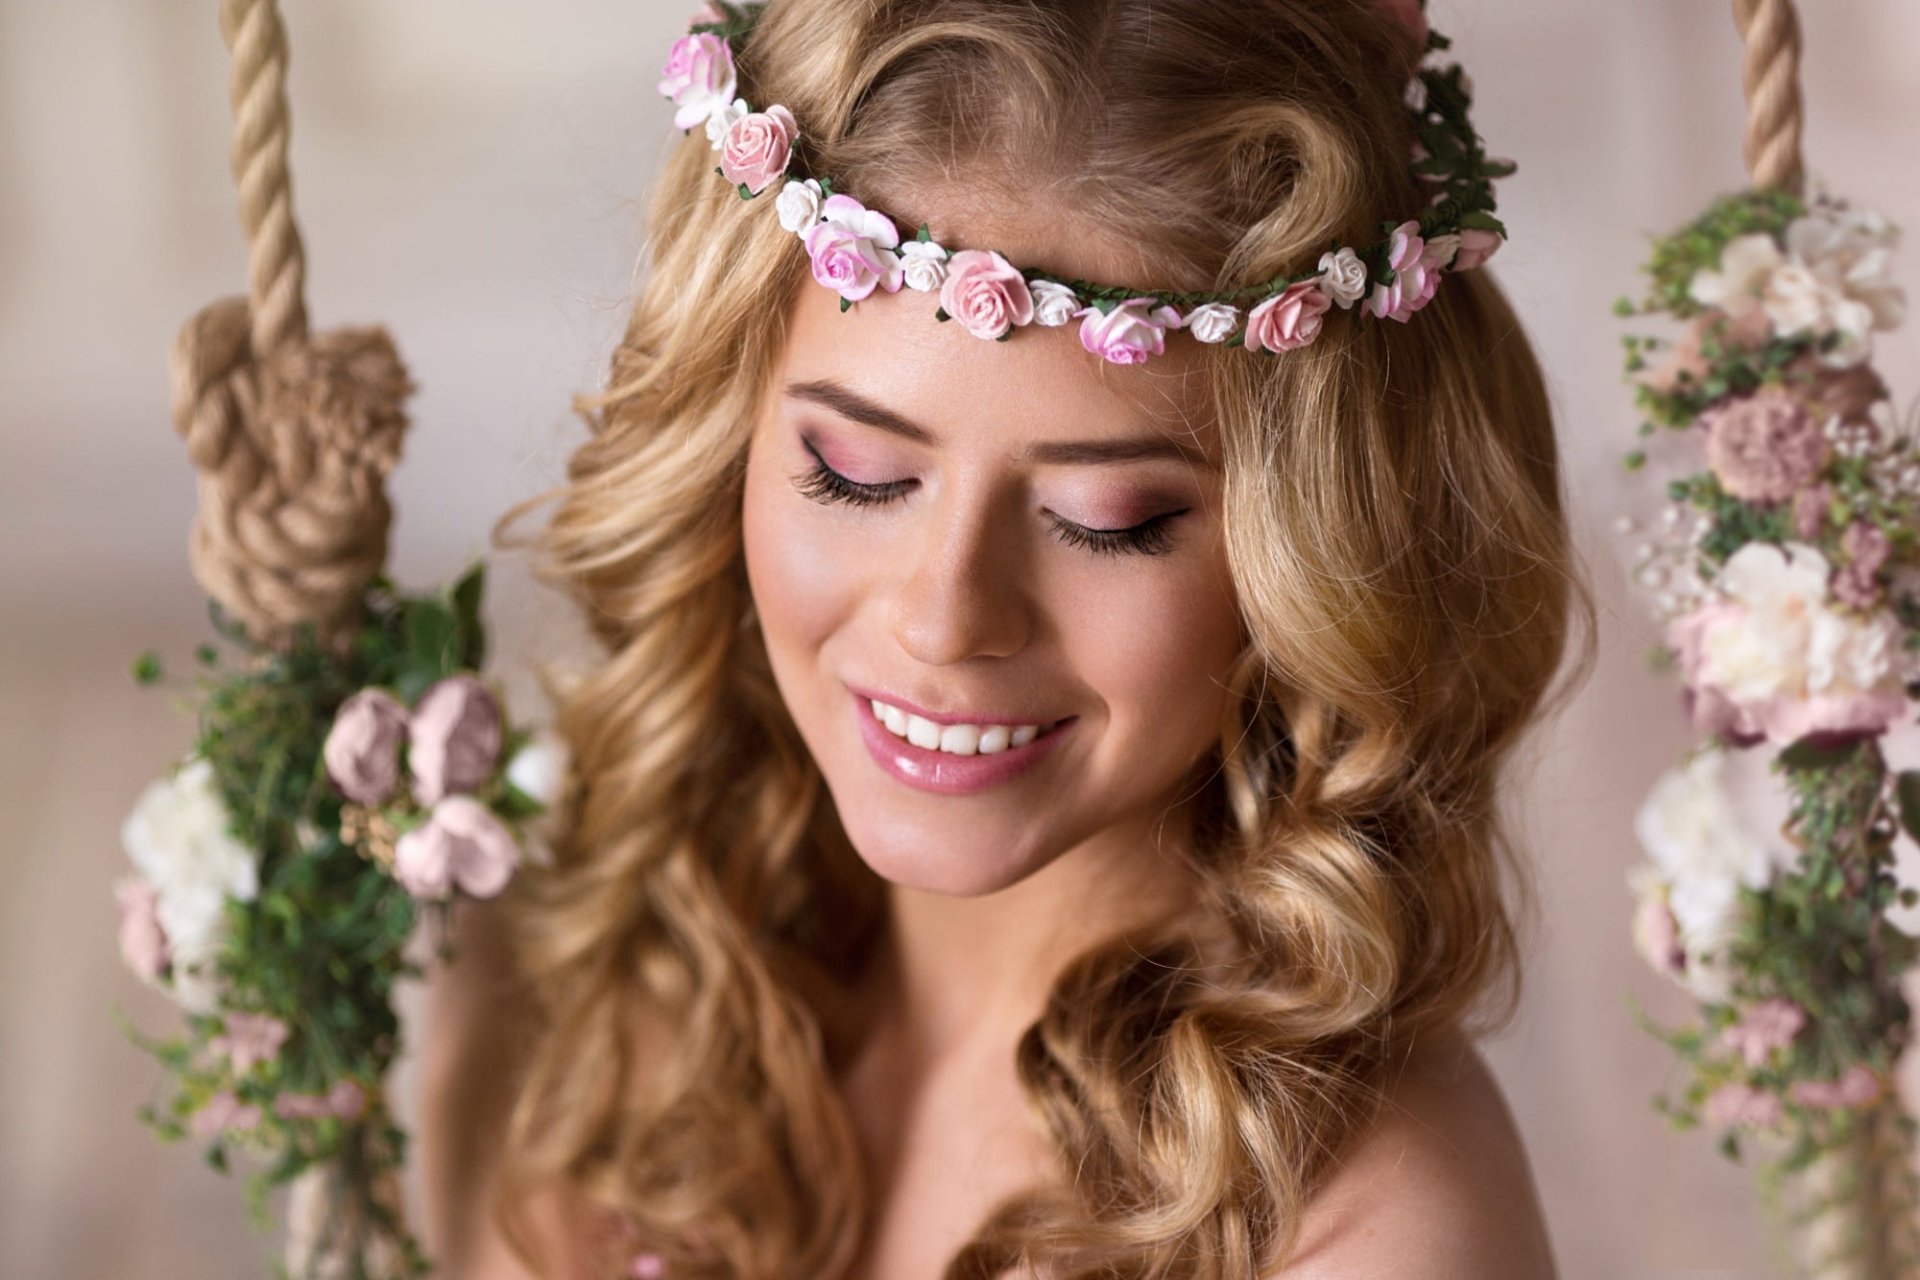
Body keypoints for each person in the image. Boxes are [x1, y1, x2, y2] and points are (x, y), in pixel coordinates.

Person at [418, 1, 1594, 1276]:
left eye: (1110, 519)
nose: (946, 616)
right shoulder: (596, 989)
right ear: (728, 447)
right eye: (857, 473)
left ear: (1308, 558)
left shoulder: (1365, 1224)